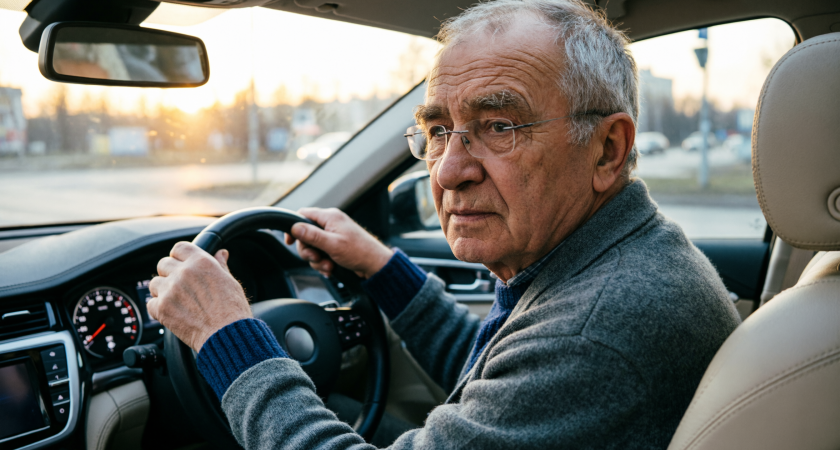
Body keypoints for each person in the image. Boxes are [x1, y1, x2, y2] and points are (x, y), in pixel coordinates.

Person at [147, 0, 741, 448]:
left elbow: (540, 367)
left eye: (500, 127)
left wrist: (228, 338)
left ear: (608, 150)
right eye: (436, 132)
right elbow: (499, 378)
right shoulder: (614, 260)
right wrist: (382, 270)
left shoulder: (596, 330)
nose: (450, 170)